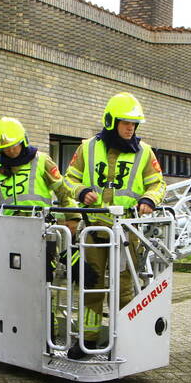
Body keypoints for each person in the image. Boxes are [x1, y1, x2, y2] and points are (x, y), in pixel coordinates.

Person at [62, 92, 166, 359]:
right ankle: (88, 340)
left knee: (123, 289)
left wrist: (149, 199)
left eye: (134, 124)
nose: (131, 128)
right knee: (91, 285)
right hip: (94, 230)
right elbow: (68, 179)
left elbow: (158, 184)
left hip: (125, 232)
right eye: (125, 122)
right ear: (111, 121)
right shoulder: (87, 147)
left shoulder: (145, 153)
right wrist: (81, 191)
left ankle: (125, 341)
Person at [0, 116, 76, 223]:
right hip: (5, 225)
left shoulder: (42, 160)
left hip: (39, 224)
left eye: (14, 146)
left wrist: (73, 217)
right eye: (6, 148)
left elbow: (62, 190)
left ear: (23, 141)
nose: (11, 151)